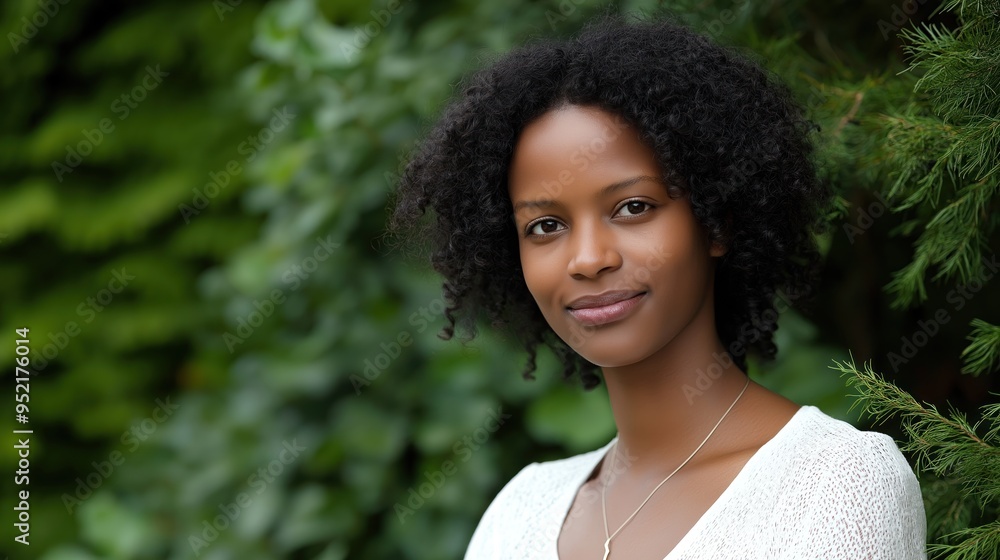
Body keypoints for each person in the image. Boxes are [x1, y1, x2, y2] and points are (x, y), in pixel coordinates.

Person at [386, 9, 927, 560]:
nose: (589, 259)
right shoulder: (518, 514)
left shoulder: (836, 486)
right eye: (545, 226)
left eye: (633, 207)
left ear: (716, 222)